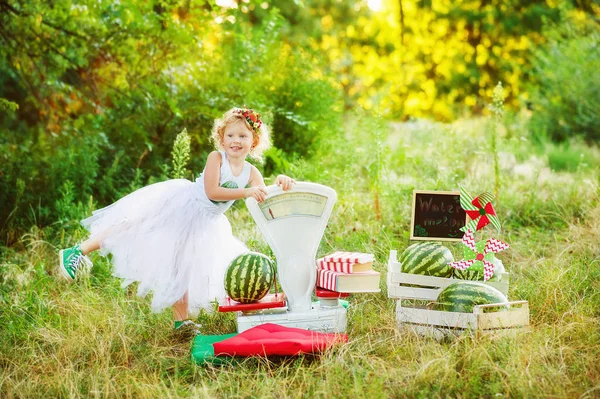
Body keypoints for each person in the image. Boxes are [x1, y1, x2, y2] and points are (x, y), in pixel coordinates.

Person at [58, 107, 295, 334]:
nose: (236, 140)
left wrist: (280, 183)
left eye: (243, 135)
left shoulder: (252, 173)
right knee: (134, 224)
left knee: (182, 266)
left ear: (253, 142)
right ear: (221, 140)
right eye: (230, 135)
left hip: (206, 223)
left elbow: (262, 197)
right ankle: (78, 251)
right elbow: (212, 192)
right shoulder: (216, 159)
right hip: (183, 204)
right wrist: (245, 192)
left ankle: (181, 323)